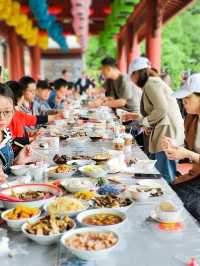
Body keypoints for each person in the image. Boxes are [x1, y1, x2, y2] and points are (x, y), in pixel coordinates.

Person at [122, 57, 184, 183]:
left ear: (138, 73)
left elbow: (161, 109)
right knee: (161, 171)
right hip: (165, 130)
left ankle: (170, 200)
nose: (132, 80)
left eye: (132, 75)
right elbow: (156, 111)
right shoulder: (152, 83)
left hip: (166, 132)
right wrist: (139, 119)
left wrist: (142, 123)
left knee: (165, 174)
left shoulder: (151, 84)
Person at [161, 73, 200, 221]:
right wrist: (174, 148)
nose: (184, 102)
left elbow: (191, 153)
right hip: (196, 176)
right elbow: (190, 148)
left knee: (186, 206)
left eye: (188, 98)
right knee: (167, 194)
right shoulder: (192, 118)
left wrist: (187, 154)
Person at [7, 81, 61, 156]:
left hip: (23, 151)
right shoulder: (14, 115)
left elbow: (35, 119)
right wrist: (30, 138)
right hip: (18, 156)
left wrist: (31, 135)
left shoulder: (17, 113)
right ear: (21, 96)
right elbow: (13, 142)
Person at [0, 83, 32, 176]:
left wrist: (18, 162)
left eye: (6, 112)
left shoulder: (6, 133)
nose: (2, 117)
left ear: (13, 112)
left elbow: (7, 169)